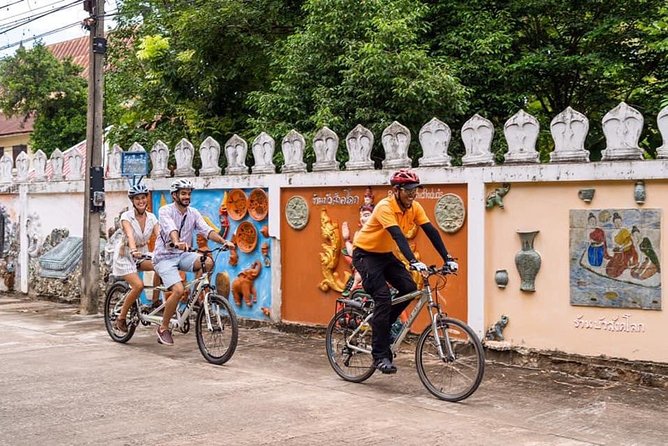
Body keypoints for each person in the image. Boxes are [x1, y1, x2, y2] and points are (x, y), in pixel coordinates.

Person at [351, 169, 458, 374]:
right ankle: (380, 356)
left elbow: (431, 231)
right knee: (382, 297)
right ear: (396, 190)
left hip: (384, 255)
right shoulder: (385, 206)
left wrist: (448, 258)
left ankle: (381, 323)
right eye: (408, 190)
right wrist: (412, 261)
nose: (412, 194)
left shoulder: (414, 207)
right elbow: (398, 236)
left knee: (409, 287)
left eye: (415, 190)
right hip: (365, 254)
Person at [152, 179, 235, 346]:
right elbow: (170, 229)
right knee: (178, 290)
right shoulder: (165, 211)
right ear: (174, 195)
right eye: (183, 193)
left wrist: (223, 241)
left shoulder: (194, 213)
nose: (187, 197)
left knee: (208, 262)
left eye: (189, 194)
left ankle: (198, 297)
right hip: (164, 257)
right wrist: (176, 241)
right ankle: (163, 328)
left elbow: (206, 230)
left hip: (183, 255)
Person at [113, 182, 161, 332]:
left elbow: (160, 236)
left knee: (161, 267)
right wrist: (133, 250)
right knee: (138, 286)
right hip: (126, 254)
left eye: (143, 198)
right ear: (132, 201)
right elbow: (129, 235)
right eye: (137, 199)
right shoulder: (126, 216)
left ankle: (154, 302)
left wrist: (170, 248)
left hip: (142, 253)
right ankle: (121, 318)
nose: (141, 201)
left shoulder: (152, 218)